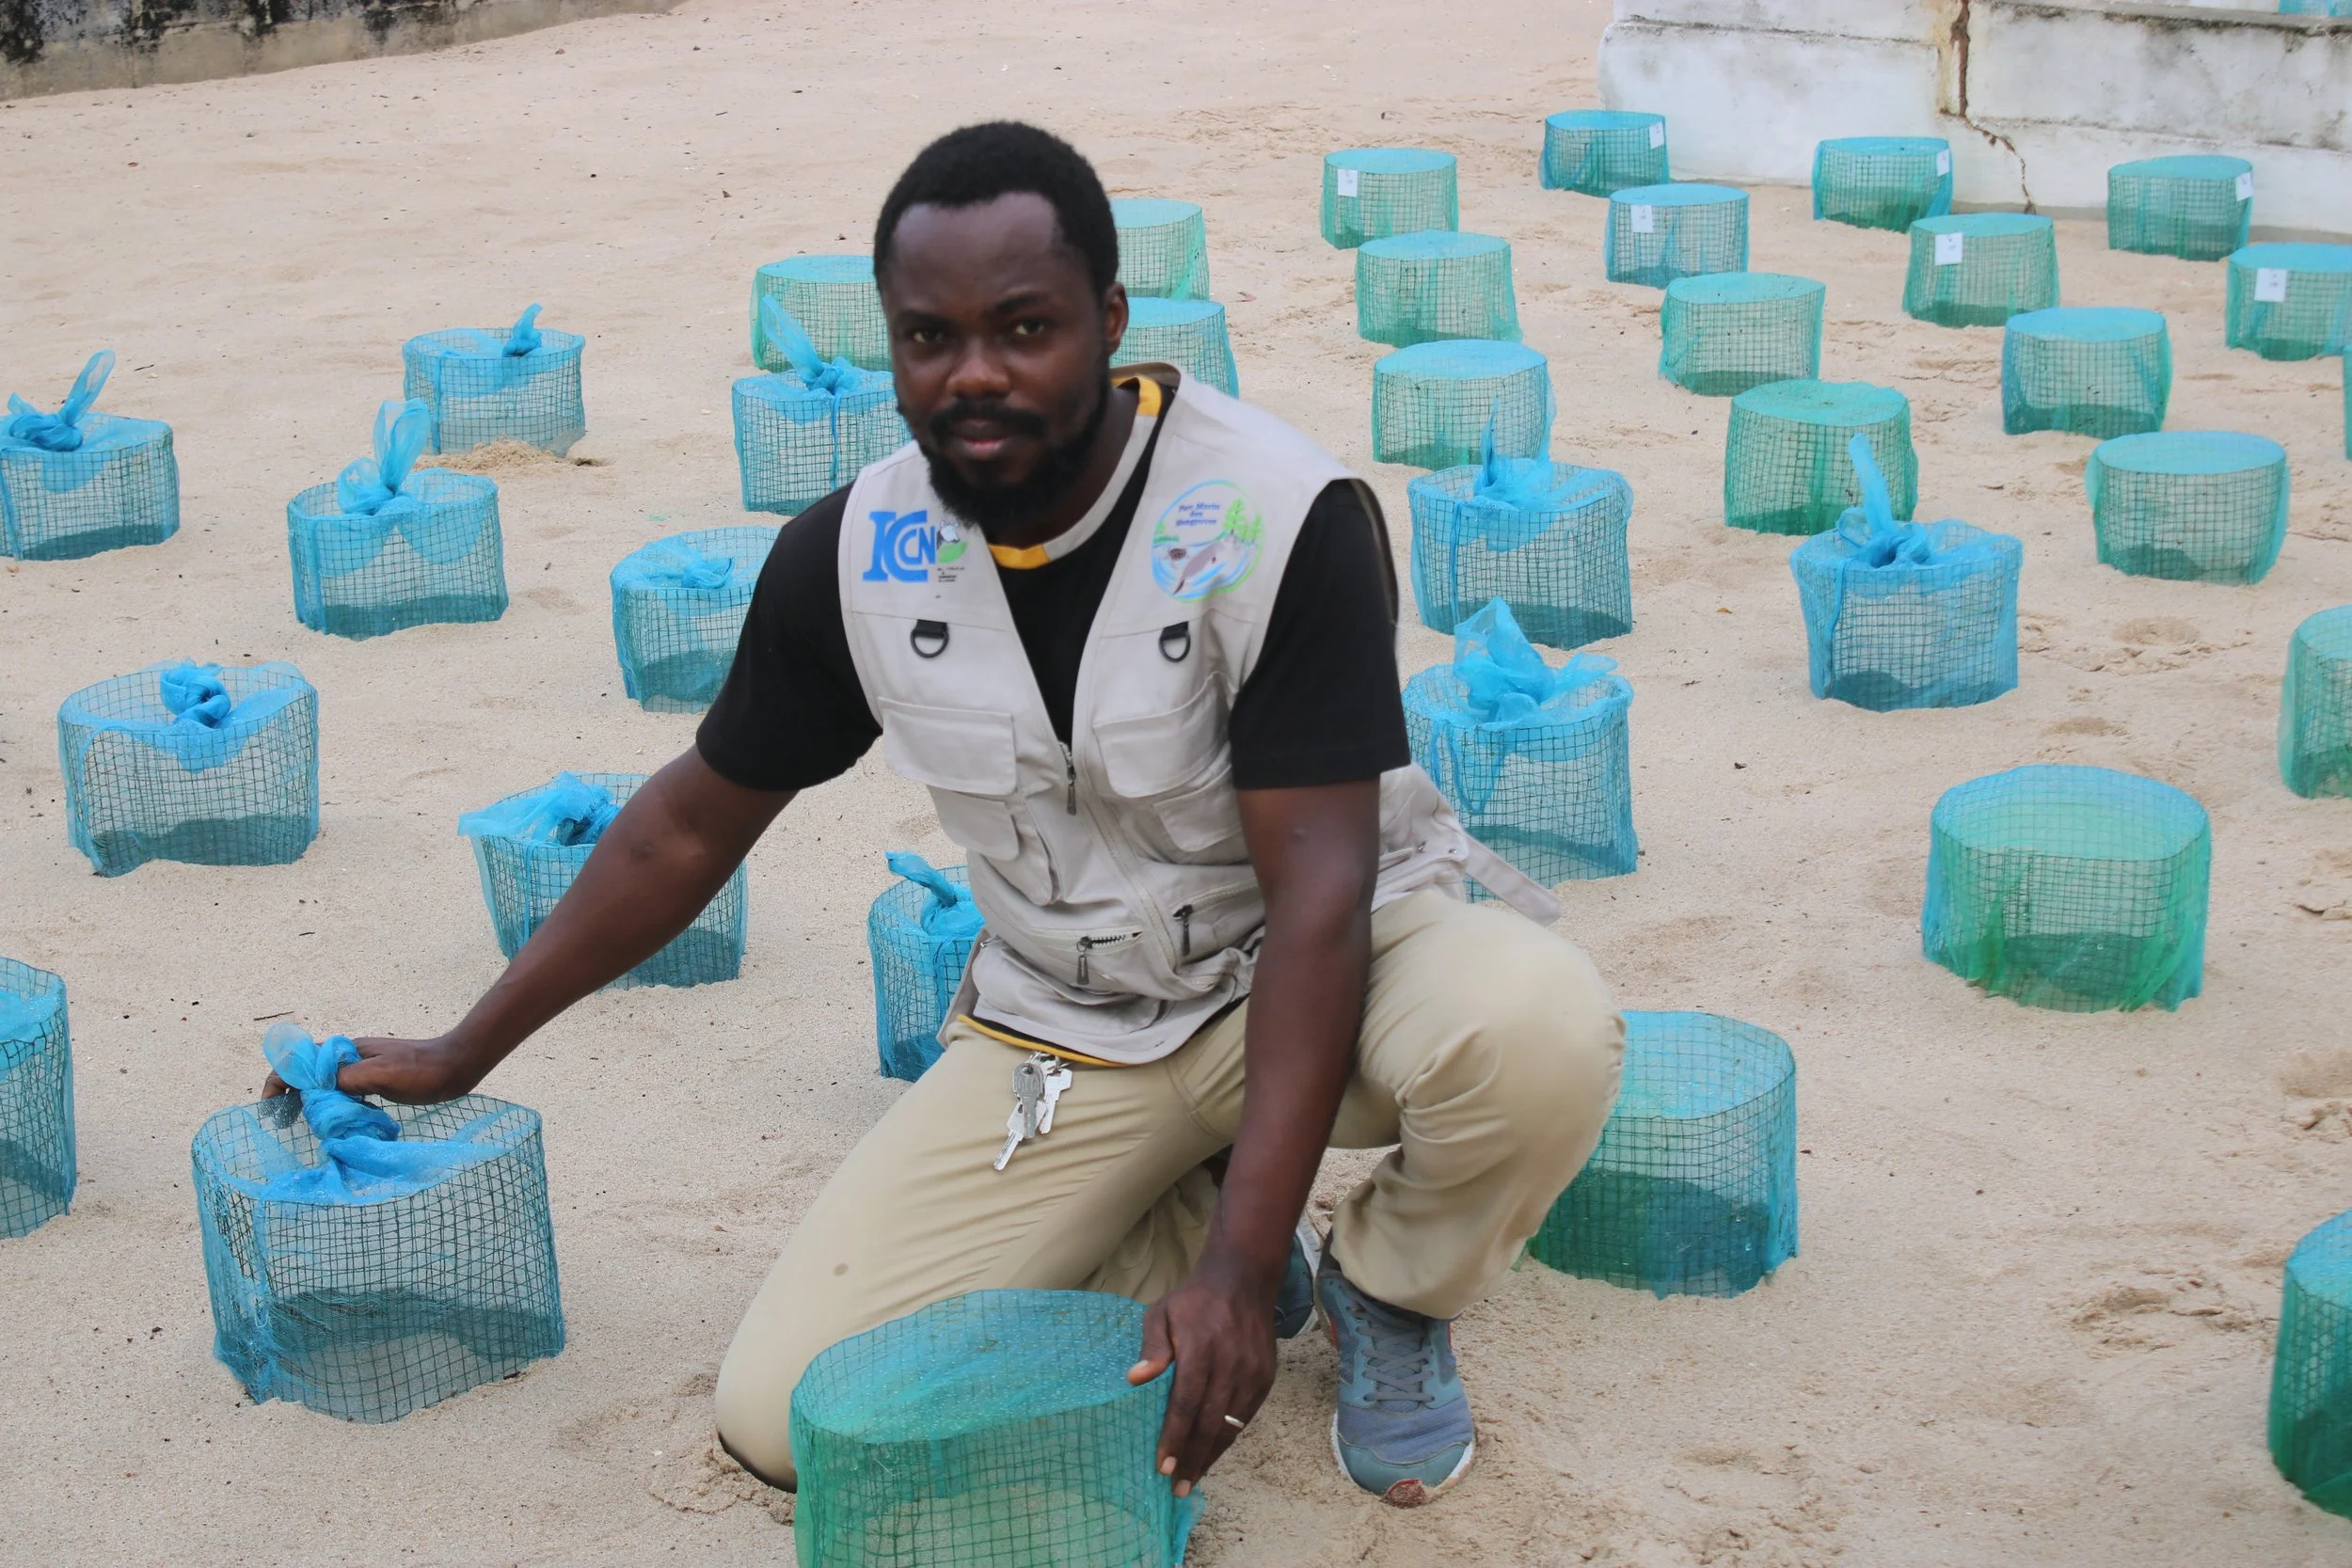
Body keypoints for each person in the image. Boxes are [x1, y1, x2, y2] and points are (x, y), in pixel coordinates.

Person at [272, 121, 1622, 1509]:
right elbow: (686, 827)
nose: (974, 375)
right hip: (1073, 1024)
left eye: (1023, 327)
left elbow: (1323, 899)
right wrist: (459, 1048)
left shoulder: (1274, 518)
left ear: (1107, 321)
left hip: (1326, 971)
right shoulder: (854, 558)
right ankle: (1191, 1201)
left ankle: (1390, 1287)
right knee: (794, 1414)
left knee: (1537, 1026)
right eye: (929, 337)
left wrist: (1236, 1282)